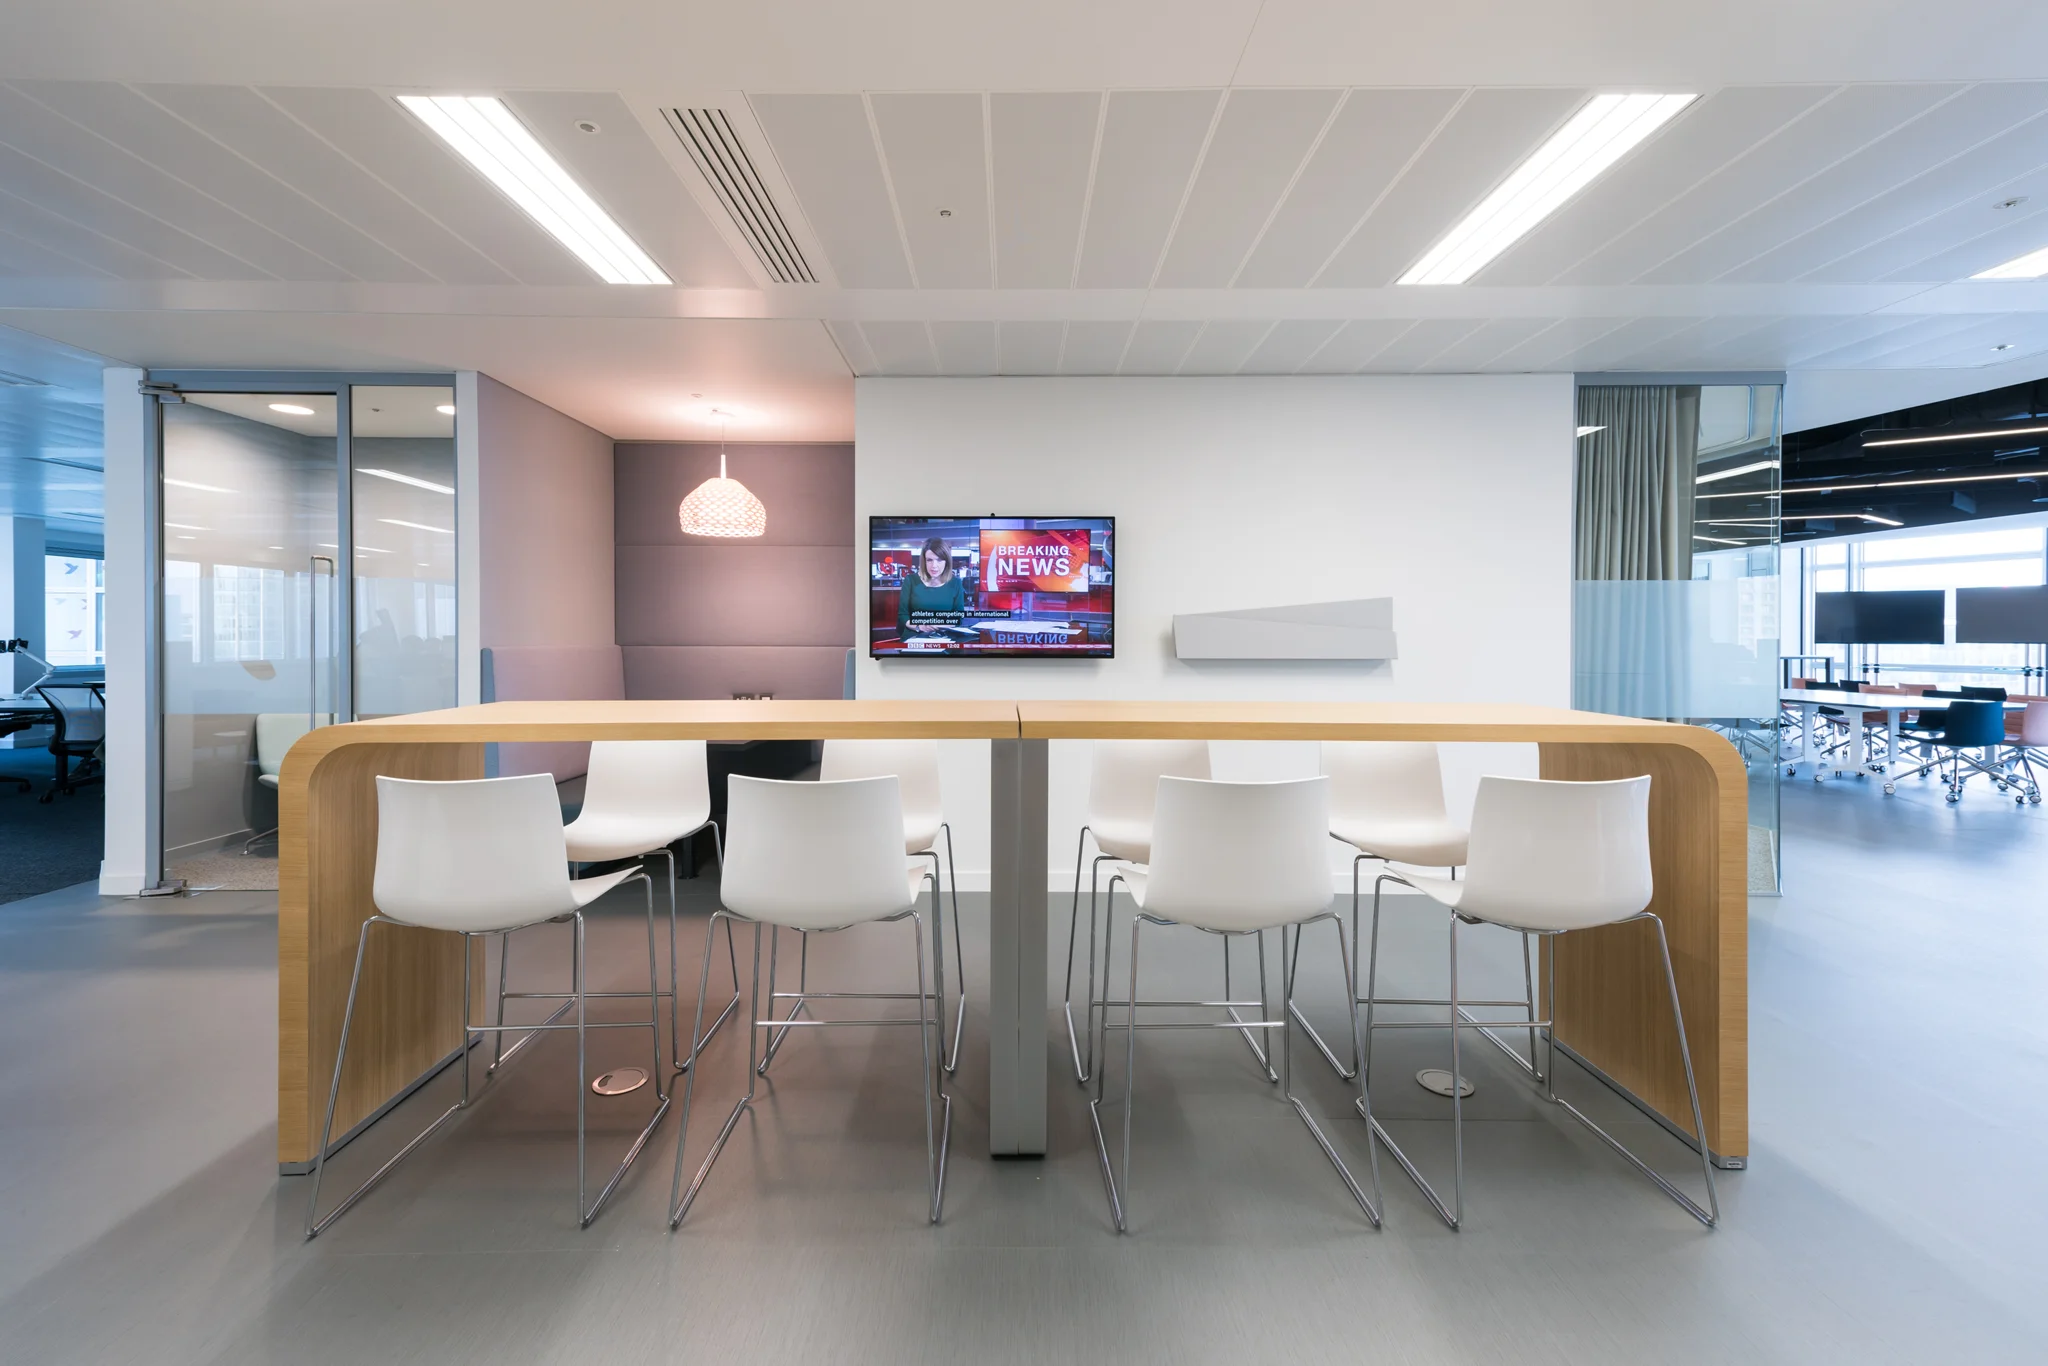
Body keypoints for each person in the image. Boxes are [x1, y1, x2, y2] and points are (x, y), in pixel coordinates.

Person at [897, 537, 967, 639]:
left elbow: (958, 618)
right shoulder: (910, 581)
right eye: (929, 560)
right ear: (924, 561)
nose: (934, 566)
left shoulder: (956, 583)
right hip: (915, 635)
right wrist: (919, 627)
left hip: (945, 636)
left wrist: (937, 626)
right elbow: (903, 615)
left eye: (939, 560)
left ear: (946, 561)